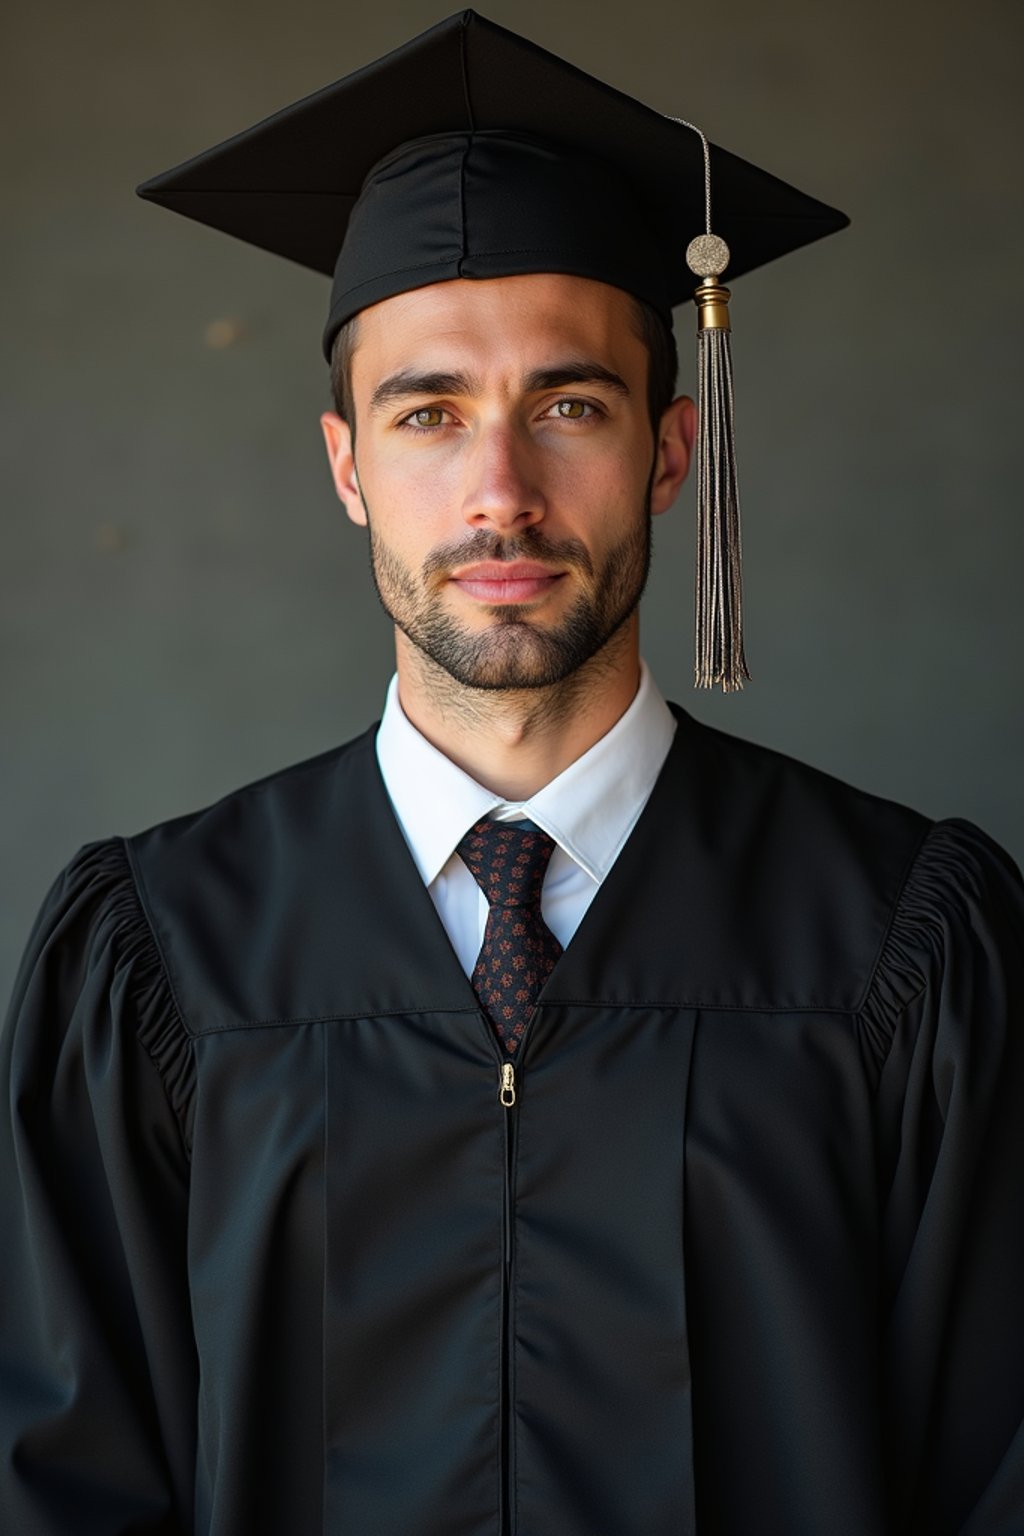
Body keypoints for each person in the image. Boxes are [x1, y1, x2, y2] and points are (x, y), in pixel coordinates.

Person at [2, 11, 1022, 1536]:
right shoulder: (156, 953)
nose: (500, 492)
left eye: (569, 405)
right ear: (347, 466)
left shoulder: (902, 941)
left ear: (673, 452)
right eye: (429, 414)